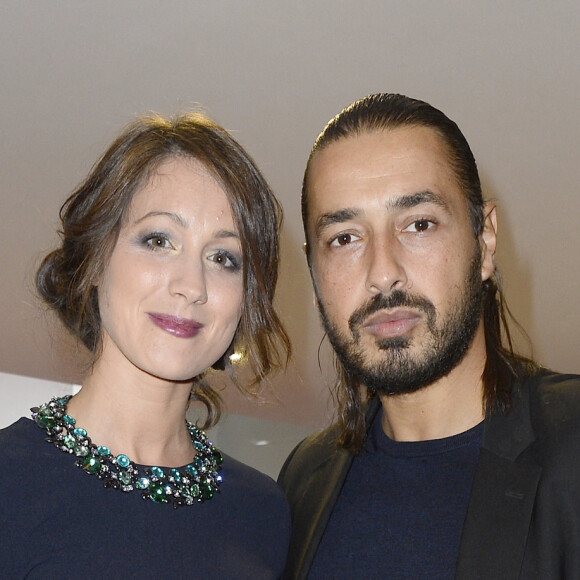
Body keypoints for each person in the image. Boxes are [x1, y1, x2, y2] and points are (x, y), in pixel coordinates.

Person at [278, 93, 580, 579]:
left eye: (419, 224)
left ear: (484, 242)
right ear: (314, 271)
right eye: (344, 238)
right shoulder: (302, 481)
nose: (382, 272)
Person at [0, 111, 291, 578]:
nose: (191, 284)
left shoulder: (265, 513)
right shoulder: (10, 482)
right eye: (159, 240)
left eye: (223, 257)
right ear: (95, 260)